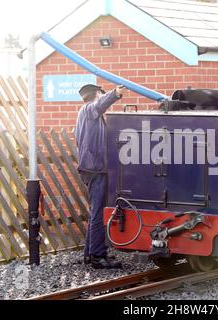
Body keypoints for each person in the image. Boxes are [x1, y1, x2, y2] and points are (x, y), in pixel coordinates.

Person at [76, 83, 126, 269]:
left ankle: (90, 254)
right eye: (101, 94)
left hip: (92, 168)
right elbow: (99, 106)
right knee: (98, 213)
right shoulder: (89, 110)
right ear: (96, 94)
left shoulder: (87, 116)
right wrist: (115, 94)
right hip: (95, 169)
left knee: (95, 212)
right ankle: (98, 256)